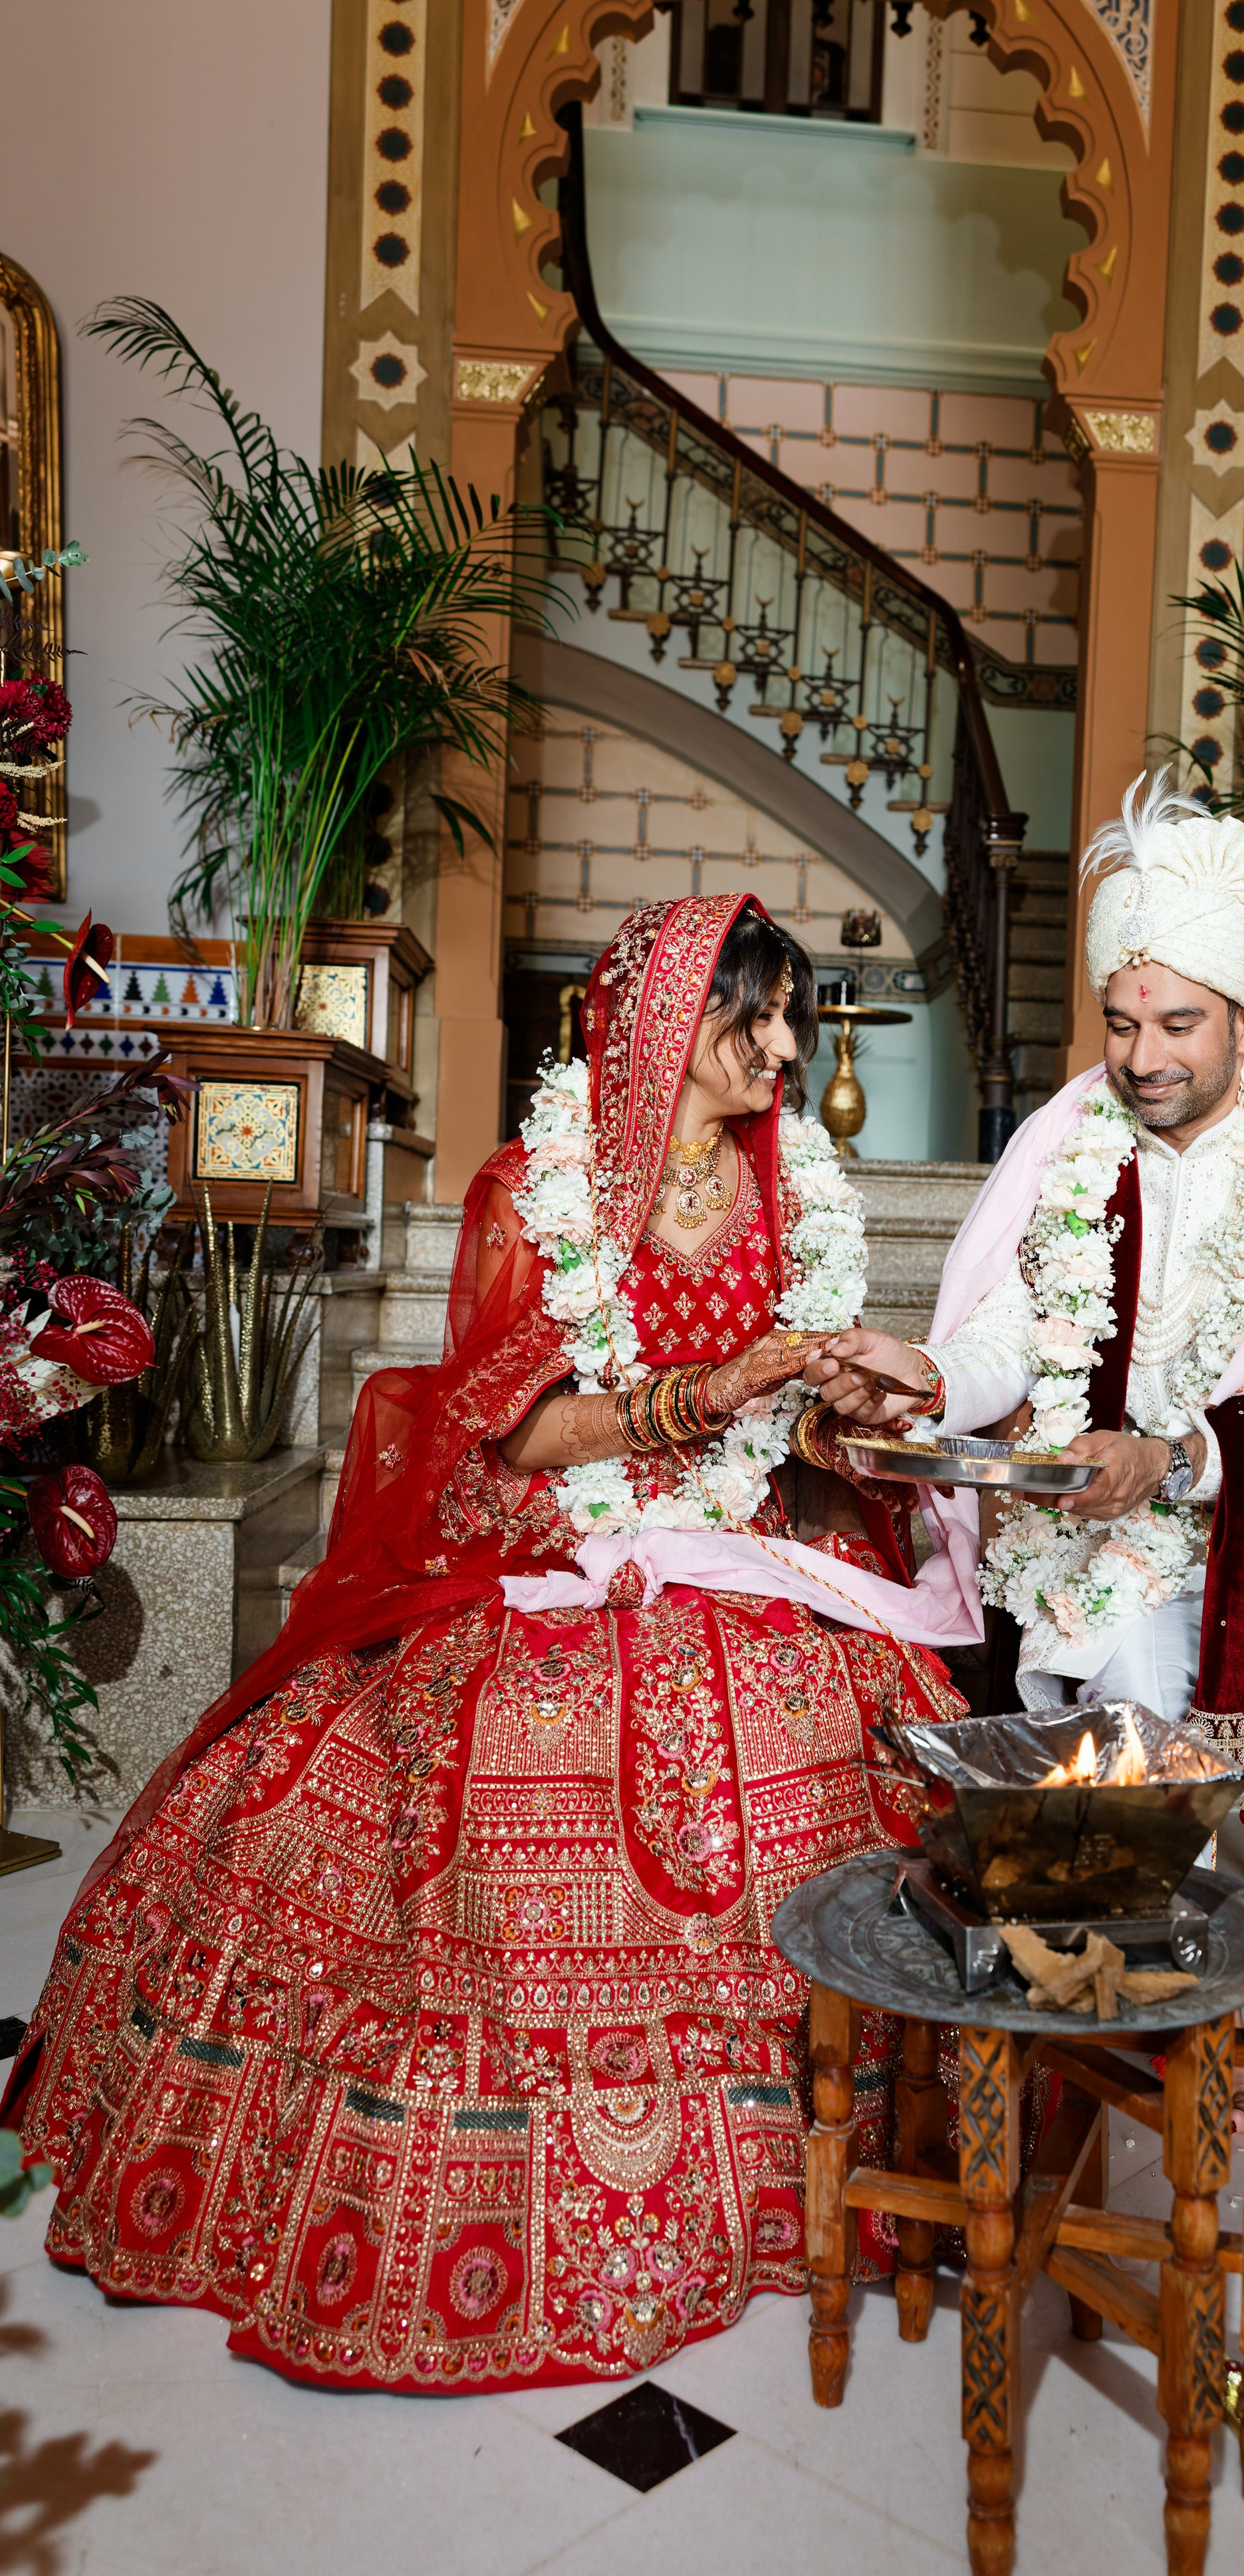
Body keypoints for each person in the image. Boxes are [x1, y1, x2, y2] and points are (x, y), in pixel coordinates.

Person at [4, 895, 976, 2393]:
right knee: (498, 1734)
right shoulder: (537, 1189)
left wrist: (851, 1399)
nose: (785, 1050)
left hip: (740, 1537)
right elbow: (511, 1428)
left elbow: (794, 1415)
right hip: (561, 1539)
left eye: (794, 1017)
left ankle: (825, 2143)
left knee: (821, 1722)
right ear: (664, 1022)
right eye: (754, 1018)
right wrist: (701, 1394)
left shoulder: (794, 1188)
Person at [809, 777, 1244, 2150]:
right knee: (1128, 1695)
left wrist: (1166, 1453)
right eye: (1121, 1022)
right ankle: (1136, 1997)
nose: (1143, 1054)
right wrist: (926, 1372)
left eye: (1177, 1024)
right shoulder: (1066, 1148)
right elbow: (1006, 1334)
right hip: (1100, 1526)